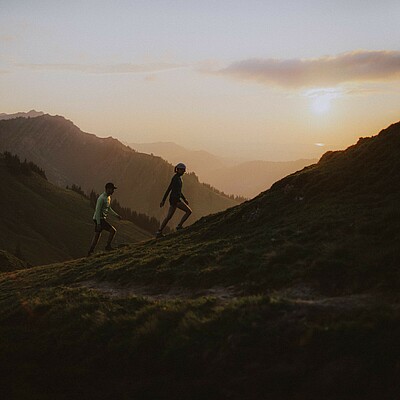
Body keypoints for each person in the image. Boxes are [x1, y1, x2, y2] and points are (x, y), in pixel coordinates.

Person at [156, 163, 192, 238]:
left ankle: (159, 231)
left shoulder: (178, 178)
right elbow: (169, 189)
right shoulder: (176, 179)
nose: (183, 171)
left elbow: (178, 191)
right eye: (182, 170)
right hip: (175, 199)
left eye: (184, 170)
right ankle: (179, 226)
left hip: (173, 199)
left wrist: (184, 199)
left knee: (168, 217)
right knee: (189, 211)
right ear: (178, 170)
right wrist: (163, 200)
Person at [87, 182, 122, 256]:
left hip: (100, 219)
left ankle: (90, 251)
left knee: (97, 235)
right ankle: (108, 246)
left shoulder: (108, 197)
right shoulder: (101, 198)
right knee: (113, 231)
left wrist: (116, 215)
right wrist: (98, 223)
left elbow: (108, 208)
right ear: (108, 189)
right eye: (112, 189)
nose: (113, 191)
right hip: (99, 219)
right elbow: (97, 211)